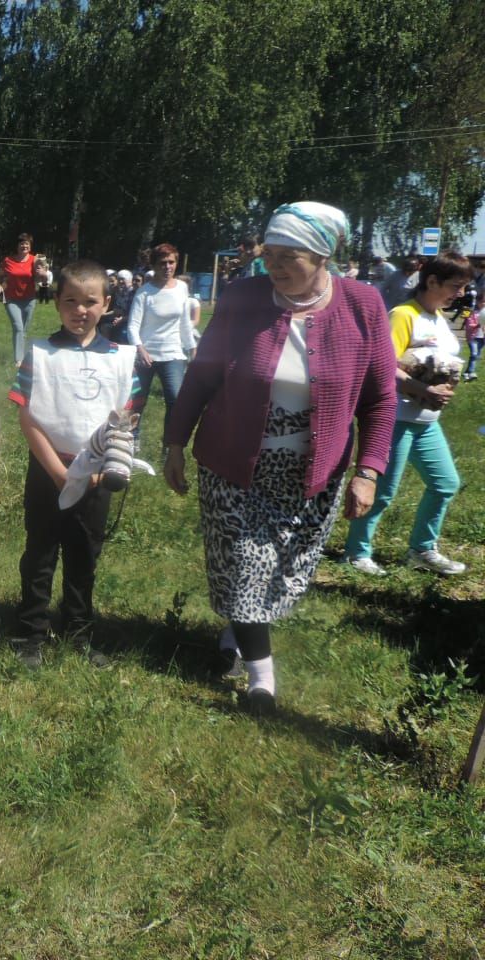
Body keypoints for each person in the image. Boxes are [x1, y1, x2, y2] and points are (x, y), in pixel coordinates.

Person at [164, 202, 396, 713]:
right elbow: (202, 374)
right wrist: (174, 442)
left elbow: (380, 400)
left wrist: (369, 471)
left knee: (280, 573)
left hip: (314, 475)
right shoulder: (244, 297)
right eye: (268, 254)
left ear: (323, 256)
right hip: (234, 463)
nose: (273, 266)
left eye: (288, 256)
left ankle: (238, 625)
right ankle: (260, 682)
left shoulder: (362, 305)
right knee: (248, 564)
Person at [8, 261, 145, 669]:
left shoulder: (121, 359)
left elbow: (126, 419)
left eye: (90, 302)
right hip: (49, 471)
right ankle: (31, 632)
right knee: (40, 552)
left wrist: (105, 471)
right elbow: (27, 416)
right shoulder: (41, 354)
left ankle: (79, 631)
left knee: (84, 553)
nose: (80, 310)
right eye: (71, 301)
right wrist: (56, 471)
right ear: (56, 303)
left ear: (106, 304)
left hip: (97, 476)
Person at [343, 253, 472, 577]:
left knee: (445, 484)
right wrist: (420, 388)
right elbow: (382, 366)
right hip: (396, 418)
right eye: (455, 286)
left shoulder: (439, 317)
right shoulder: (403, 314)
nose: (460, 293)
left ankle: (422, 549)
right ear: (432, 282)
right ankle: (357, 554)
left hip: (427, 422)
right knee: (383, 491)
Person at [126, 243, 196, 447]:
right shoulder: (144, 293)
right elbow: (132, 327)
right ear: (154, 265)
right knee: (137, 400)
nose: (167, 266)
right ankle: (132, 439)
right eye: (163, 263)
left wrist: (192, 348)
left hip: (173, 354)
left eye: (171, 262)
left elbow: (184, 322)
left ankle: (170, 445)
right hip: (145, 354)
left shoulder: (182, 288)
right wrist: (140, 349)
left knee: (175, 399)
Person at [0, 233, 42, 366]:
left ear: (30, 245)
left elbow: (41, 277)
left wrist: (42, 274)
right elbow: (0, 275)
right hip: (11, 299)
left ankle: (23, 354)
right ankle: (19, 359)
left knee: (24, 330)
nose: (24, 245)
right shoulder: (8, 261)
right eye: (21, 243)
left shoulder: (35, 260)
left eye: (27, 243)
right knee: (18, 327)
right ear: (17, 246)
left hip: (29, 299)